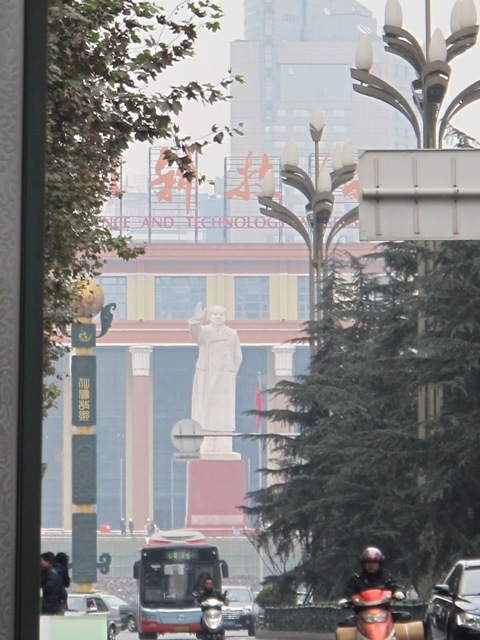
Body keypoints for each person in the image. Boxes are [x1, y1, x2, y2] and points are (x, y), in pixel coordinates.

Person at [188, 303, 242, 456]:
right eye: (215, 314)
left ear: (225, 317)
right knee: (206, 411)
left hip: (224, 379)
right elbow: (195, 335)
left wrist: (231, 374)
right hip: (207, 377)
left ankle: (223, 445)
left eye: (221, 315)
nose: (218, 317)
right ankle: (208, 445)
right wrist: (196, 320)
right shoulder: (204, 331)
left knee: (224, 413)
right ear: (210, 317)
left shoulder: (232, 334)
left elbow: (238, 357)